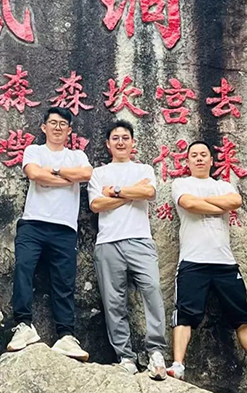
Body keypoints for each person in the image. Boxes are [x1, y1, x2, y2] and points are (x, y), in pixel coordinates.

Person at [167, 141, 247, 389]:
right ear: (187, 161)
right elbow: (189, 204)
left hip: (225, 263)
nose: (199, 158)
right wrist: (215, 205)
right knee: (185, 316)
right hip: (192, 261)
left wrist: (204, 202)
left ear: (212, 160)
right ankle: (178, 366)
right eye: (194, 155)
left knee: (242, 317)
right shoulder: (181, 184)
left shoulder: (223, 185)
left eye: (204, 154)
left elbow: (234, 201)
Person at [6, 107, 92, 361]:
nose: (57, 127)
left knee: (64, 281)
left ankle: (66, 336)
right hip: (33, 223)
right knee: (23, 269)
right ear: (44, 127)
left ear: (69, 130)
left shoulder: (77, 155)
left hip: (65, 227)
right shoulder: (34, 151)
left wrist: (51, 173)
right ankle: (23, 326)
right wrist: (67, 177)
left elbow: (86, 174)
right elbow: (34, 174)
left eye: (63, 124)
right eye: (53, 123)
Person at [87, 120, 167, 380]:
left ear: (133, 143)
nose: (120, 142)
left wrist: (116, 191)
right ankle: (126, 357)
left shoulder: (144, 169)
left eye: (125, 137)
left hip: (140, 240)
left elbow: (149, 192)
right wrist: (133, 193)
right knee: (114, 302)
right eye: (115, 138)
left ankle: (156, 352)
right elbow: (96, 205)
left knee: (152, 290)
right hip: (108, 243)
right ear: (107, 144)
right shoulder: (99, 173)